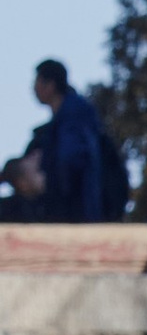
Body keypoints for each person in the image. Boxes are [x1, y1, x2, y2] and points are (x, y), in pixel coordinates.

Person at [2, 61, 124, 223]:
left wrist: (48, 184)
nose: (33, 89)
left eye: (37, 82)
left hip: (82, 209)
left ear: (50, 85)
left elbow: (72, 161)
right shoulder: (63, 119)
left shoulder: (74, 114)